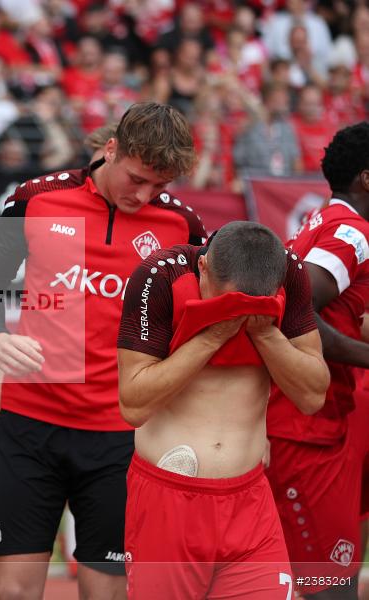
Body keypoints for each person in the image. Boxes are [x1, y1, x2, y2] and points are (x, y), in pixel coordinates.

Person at [0, 102, 207, 600]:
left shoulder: (182, 226)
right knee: (15, 593)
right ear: (111, 149)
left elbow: (199, 321)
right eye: (138, 179)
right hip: (30, 424)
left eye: (159, 186)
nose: (145, 195)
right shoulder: (37, 198)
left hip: (121, 436)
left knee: (105, 594)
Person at [116, 221, 329, 599]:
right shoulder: (160, 274)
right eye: (227, 298)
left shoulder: (287, 270)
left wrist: (264, 332)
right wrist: (214, 333)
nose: (238, 310)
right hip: (170, 498)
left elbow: (313, 396)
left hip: (250, 500)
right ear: (203, 268)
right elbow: (134, 404)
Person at [265, 121, 369, 599]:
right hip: (307, 429)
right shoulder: (352, 232)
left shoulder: (325, 223)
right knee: (330, 588)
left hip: (317, 422)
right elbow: (293, 306)